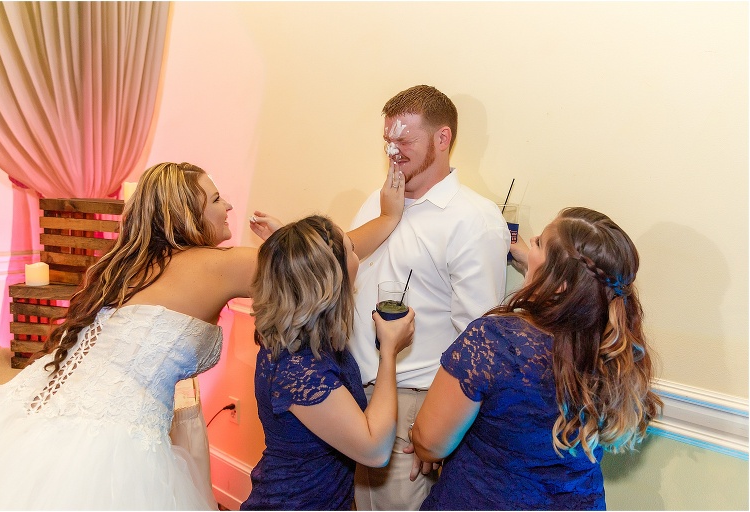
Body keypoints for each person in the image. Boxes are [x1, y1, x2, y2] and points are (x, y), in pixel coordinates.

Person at [0, 162, 267, 510]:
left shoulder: (124, 265)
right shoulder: (223, 264)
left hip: (43, 407)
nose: (229, 207)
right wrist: (284, 237)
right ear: (187, 214)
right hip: (114, 439)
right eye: (216, 199)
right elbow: (331, 264)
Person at [411, 207, 664, 510]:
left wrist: (419, 439)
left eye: (541, 243)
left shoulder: (495, 341)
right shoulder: (615, 347)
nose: (531, 240)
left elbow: (429, 441)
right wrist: (536, 270)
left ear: (559, 282)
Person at [349, 84, 511, 510]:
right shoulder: (377, 200)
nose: (392, 151)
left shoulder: (474, 220)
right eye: (388, 140)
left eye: (404, 140)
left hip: (412, 408)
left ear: (443, 139)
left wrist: (440, 431)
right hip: (352, 399)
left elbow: (478, 338)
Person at [241, 211, 415, 510]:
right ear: (330, 279)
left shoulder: (304, 334)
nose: (356, 254)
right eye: (350, 249)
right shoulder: (298, 369)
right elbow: (375, 450)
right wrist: (389, 352)